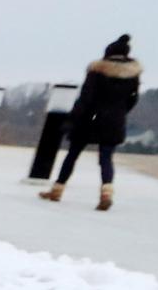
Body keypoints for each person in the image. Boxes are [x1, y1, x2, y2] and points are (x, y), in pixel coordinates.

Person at [39, 35, 141, 210]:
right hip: (115, 121)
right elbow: (133, 99)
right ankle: (106, 192)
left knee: (72, 155)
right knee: (106, 158)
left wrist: (72, 120)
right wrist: (120, 113)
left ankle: (57, 190)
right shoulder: (132, 75)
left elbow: (85, 98)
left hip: (89, 119)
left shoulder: (97, 71)